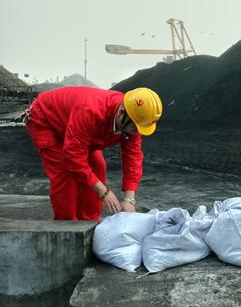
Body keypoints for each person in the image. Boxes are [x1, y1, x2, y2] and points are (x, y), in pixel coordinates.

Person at [24, 86, 162, 221]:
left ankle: (89, 221)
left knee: (98, 167)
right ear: (121, 113)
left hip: (74, 127)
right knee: (65, 172)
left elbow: (133, 157)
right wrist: (103, 191)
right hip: (46, 120)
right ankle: (67, 228)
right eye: (135, 128)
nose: (136, 133)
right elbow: (74, 157)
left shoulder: (134, 119)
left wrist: (129, 199)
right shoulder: (92, 111)